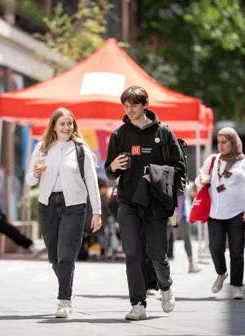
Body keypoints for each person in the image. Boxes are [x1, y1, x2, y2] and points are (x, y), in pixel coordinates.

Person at [104, 86, 186, 320]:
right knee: (132, 253)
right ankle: (137, 304)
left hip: (156, 203)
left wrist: (157, 174)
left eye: (134, 105)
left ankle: (166, 287)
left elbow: (179, 167)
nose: (129, 110)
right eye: (126, 106)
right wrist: (113, 167)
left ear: (145, 105)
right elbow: (109, 172)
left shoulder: (164, 133)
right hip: (128, 202)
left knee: (158, 253)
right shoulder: (119, 135)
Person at [25, 107, 102, 318]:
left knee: (67, 255)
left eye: (70, 124)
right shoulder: (41, 148)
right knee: (54, 258)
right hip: (47, 205)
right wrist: (35, 173)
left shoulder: (81, 150)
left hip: (74, 206)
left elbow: (92, 183)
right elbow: (29, 181)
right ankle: (67, 287)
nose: (67, 127)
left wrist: (97, 212)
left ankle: (64, 300)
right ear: (54, 126)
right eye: (63, 124)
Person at [195, 127, 245, 300]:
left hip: (237, 213)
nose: (221, 146)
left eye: (225, 142)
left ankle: (237, 286)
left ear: (234, 142)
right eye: (219, 142)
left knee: (236, 251)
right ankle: (221, 272)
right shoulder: (212, 160)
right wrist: (202, 181)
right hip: (214, 213)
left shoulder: (244, 163)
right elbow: (199, 179)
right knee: (215, 248)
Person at [0, 167, 44, 255]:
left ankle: (29, 245)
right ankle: (30, 245)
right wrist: (5, 219)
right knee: (10, 230)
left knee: (11, 230)